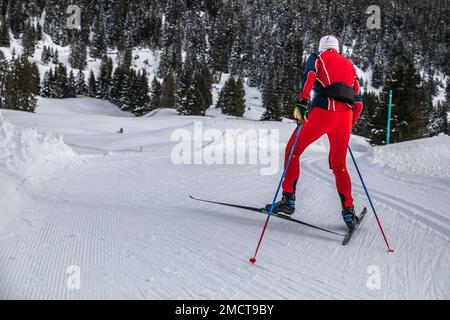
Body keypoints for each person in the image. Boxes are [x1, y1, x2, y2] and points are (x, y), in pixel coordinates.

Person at [266, 35, 364, 231]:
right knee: (339, 165)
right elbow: (359, 103)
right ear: (338, 48)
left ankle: (288, 201)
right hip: (344, 117)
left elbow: (310, 75)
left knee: (293, 150)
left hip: (322, 111)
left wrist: (302, 101)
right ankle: (348, 213)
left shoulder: (317, 57)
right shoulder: (350, 66)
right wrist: (348, 124)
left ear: (321, 46)